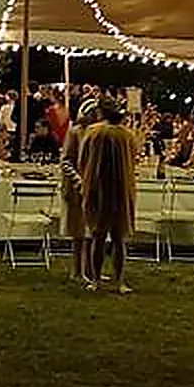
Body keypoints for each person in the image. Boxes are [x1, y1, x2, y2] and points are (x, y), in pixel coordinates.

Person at [79, 99, 141, 293]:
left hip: (98, 189)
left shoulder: (94, 132)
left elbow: (83, 160)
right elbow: (134, 159)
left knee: (97, 236)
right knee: (118, 238)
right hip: (122, 190)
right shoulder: (128, 135)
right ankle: (119, 281)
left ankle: (96, 280)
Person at [60, 99, 100, 283]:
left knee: (92, 232)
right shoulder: (74, 132)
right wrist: (78, 181)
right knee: (78, 233)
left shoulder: (96, 133)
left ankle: (91, 270)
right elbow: (66, 161)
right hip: (75, 190)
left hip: (92, 188)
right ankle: (76, 270)